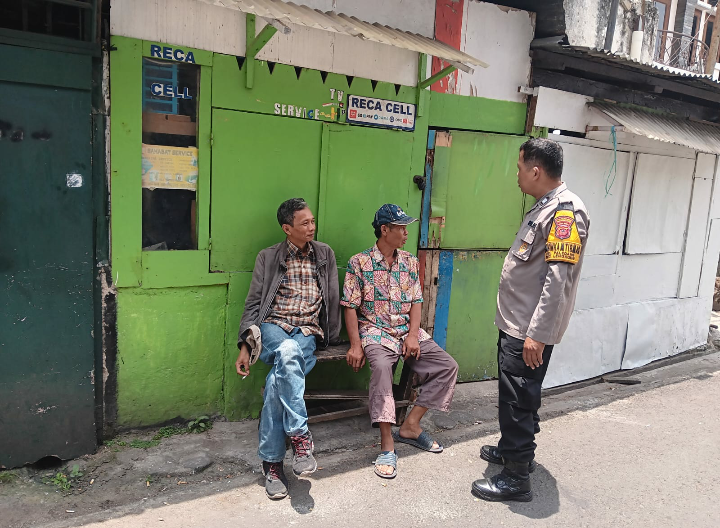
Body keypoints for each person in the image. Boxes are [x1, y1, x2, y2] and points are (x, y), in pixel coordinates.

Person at [472, 138, 590, 502]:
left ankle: (516, 476)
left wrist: (536, 335)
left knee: (518, 399)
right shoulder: (545, 207)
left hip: (528, 330)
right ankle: (514, 450)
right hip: (518, 324)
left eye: (520, 168)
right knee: (517, 395)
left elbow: (557, 280)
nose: (517, 175)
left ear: (536, 171)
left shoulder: (564, 212)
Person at [342, 204, 459, 479]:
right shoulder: (359, 263)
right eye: (401, 228)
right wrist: (356, 345)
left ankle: (411, 426)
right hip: (375, 331)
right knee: (383, 368)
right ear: (385, 230)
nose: (406, 233)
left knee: (447, 366)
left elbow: (417, 300)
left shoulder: (409, 261)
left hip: (406, 331)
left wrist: (413, 335)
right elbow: (349, 306)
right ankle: (387, 443)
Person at [235, 198, 341, 500]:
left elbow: (333, 297)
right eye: (304, 223)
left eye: (312, 221)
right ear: (287, 228)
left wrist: (332, 335)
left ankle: (272, 465)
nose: (312, 227)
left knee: (277, 378)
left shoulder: (324, 254)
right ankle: (300, 437)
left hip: (307, 330)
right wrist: (245, 344)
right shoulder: (268, 257)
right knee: (287, 349)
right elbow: (253, 304)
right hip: (273, 327)